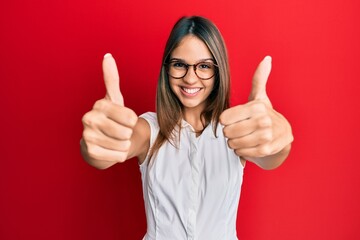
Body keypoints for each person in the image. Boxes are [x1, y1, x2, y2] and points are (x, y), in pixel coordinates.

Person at [80, 16, 293, 240]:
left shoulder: (236, 127)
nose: (190, 78)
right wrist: (97, 142)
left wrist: (281, 140)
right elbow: (110, 149)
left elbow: (271, 156)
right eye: (179, 65)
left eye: (204, 66)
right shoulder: (149, 129)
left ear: (218, 71)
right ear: (167, 68)